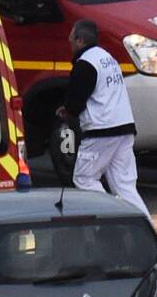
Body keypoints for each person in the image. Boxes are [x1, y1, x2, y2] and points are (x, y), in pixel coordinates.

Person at [57, 19, 150, 218]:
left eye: (72, 36)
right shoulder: (108, 58)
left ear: (80, 41)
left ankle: (111, 217)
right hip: (124, 128)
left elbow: (77, 99)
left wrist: (68, 111)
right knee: (124, 186)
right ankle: (145, 226)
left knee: (84, 178)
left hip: (101, 131)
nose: (69, 39)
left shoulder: (85, 63)